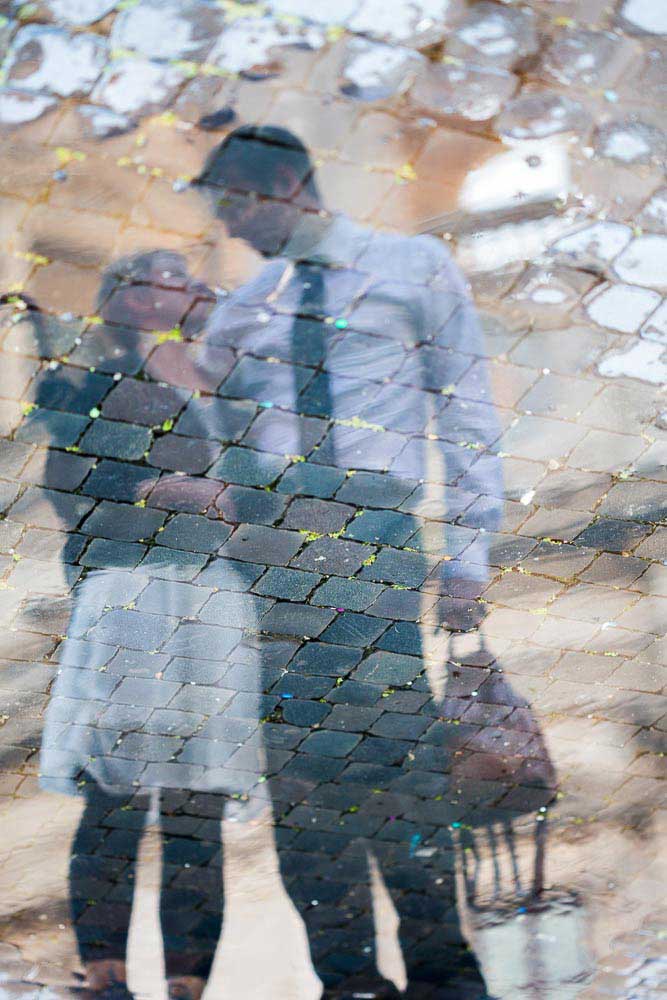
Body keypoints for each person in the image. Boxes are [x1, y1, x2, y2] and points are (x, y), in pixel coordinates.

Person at [192, 126, 558, 999]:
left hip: (373, 535)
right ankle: (346, 977)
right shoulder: (240, 309)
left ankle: (441, 972)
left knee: (394, 754)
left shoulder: (412, 267)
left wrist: (466, 555)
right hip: (273, 549)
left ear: (285, 182)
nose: (234, 230)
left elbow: (465, 410)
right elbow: (218, 444)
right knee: (296, 770)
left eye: (237, 206)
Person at [32, 251, 267, 1000]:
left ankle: (188, 982)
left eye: (195, 271)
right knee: (117, 787)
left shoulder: (235, 386)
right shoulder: (87, 378)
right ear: (129, 297)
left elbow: (272, 487)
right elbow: (69, 486)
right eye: (169, 271)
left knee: (199, 798)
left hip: (217, 592)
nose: (193, 279)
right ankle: (105, 973)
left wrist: (239, 498)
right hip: (135, 590)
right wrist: (159, 488)